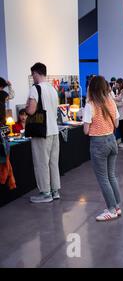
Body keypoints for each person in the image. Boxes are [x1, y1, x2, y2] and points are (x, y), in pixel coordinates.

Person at [83, 76, 122, 221]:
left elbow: (86, 130)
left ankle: (111, 209)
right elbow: (116, 124)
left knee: (103, 178)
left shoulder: (90, 105)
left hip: (98, 143)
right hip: (112, 140)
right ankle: (116, 206)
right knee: (111, 176)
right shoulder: (111, 101)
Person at [26, 63, 61, 203]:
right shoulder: (52, 89)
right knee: (53, 162)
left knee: (41, 163)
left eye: (32, 74)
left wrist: (27, 104)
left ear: (35, 73)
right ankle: (55, 190)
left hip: (42, 131)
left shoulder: (35, 88)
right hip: (54, 131)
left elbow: (31, 110)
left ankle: (45, 193)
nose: (32, 77)